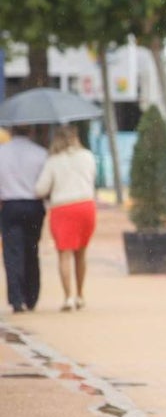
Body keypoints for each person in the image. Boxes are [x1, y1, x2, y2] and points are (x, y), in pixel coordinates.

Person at [34, 125, 97, 311]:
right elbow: (92, 178)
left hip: (63, 208)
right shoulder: (87, 156)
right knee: (81, 253)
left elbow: (41, 189)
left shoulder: (53, 161)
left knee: (64, 253)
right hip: (85, 206)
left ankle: (68, 297)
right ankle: (80, 294)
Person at [0, 125, 49, 314]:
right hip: (34, 206)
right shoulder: (41, 154)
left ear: (11, 131)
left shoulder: (2, 153)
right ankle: (32, 297)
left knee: (12, 253)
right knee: (32, 250)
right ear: (31, 132)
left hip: (9, 206)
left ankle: (16, 299)